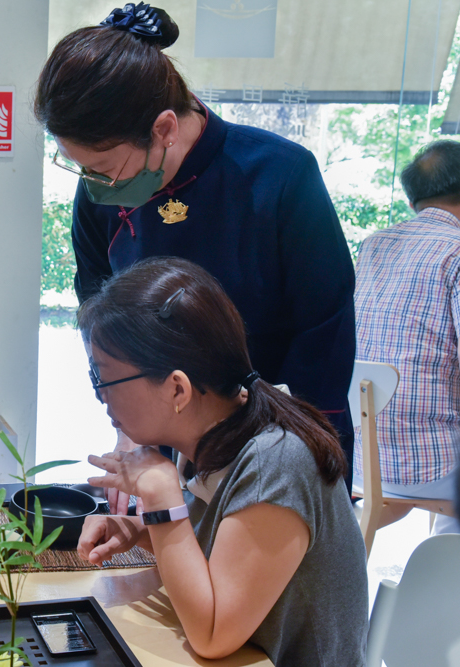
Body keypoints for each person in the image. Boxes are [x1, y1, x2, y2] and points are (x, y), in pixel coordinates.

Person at [34, 3, 356, 509]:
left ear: (164, 128)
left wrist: (300, 464)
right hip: (162, 440)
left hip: (274, 444)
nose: (95, 186)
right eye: (82, 169)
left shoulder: (278, 176)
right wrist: (129, 426)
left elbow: (323, 335)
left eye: (105, 168)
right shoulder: (102, 194)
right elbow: (100, 317)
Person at [76, 257, 367, 666]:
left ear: (177, 390)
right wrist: (139, 530)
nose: (101, 396)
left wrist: (161, 495)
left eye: (103, 379)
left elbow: (213, 635)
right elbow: (219, 551)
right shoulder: (217, 427)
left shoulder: (276, 462)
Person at [354, 140, 460, 534]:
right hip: (435, 465)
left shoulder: (372, 245)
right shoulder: (457, 252)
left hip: (364, 458)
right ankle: (443, 563)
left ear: (413, 200)